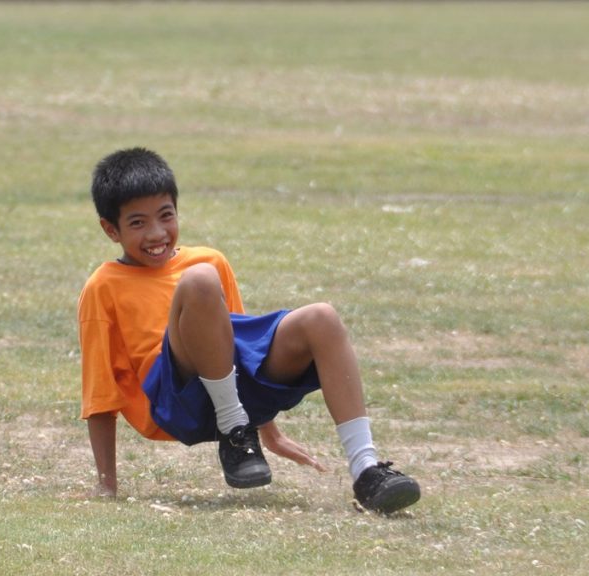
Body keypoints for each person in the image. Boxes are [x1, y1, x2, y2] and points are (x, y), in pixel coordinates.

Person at [77, 147, 420, 514]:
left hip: (230, 398)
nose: (157, 232)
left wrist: (270, 433)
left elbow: (239, 350)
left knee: (322, 317)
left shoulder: (210, 260)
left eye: (166, 215)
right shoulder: (104, 285)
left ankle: (366, 470)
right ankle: (234, 431)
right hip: (174, 404)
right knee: (200, 280)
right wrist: (106, 485)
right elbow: (101, 393)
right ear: (110, 229)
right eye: (138, 223)